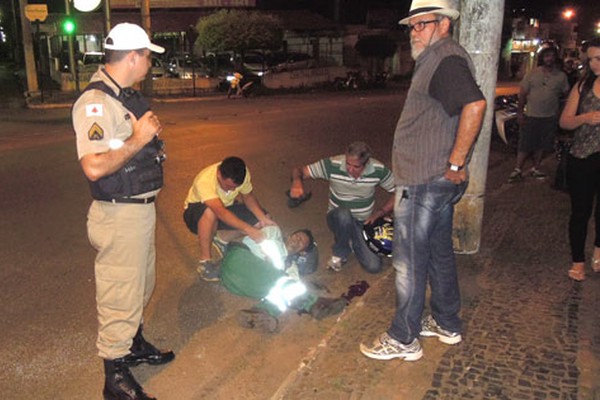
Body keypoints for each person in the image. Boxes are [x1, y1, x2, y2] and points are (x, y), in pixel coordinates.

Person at [359, 0, 486, 362]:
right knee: (437, 254)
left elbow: (474, 106)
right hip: (431, 180)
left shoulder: (445, 59)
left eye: (423, 24)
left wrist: (457, 162)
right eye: (412, 26)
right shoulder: (437, 58)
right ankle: (447, 322)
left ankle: (403, 337)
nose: (415, 31)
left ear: (444, 24)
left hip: (424, 182)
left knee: (408, 261)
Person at [72, 23, 174, 400]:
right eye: (147, 56)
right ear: (132, 57)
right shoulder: (95, 104)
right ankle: (114, 376)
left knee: (139, 286)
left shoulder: (122, 96)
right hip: (119, 215)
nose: (149, 63)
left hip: (139, 211)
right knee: (120, 294)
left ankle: (132, 344)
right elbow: (94, 166)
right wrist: (138, 139)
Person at [289, 141, 395, 274]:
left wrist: (382, 211)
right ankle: (340, 252)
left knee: (374, 266)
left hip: (362, 221)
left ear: (366, 163)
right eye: (347, 164)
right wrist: (297, 181)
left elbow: (399, 191)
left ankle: (352, 239)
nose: (349, 169)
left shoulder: (378, 170)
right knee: (344, 214)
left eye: (355, 166)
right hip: (337, 216)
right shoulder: (334, 164)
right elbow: (299, 170)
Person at [219, 226, 345, 332]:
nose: (297, 239)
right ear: (290, 236)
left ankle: (259, 313)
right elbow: (255, 238)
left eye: (302, 242)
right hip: (239, 260)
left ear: (302, 252)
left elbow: (290, 292)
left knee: (284, 293)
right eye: (297, 235)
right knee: (285, 284)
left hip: (238, 285)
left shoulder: (291, 269)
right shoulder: (274, 233)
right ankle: (314, 304)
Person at [183, 156, 276, 281]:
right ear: (219, 174)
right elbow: (220, 212)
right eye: (228, 186)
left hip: (224, 209)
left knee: (261, 219)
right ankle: (205, 262)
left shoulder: (243, 173)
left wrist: (263, 219)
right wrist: (250, 230)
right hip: (196, 214)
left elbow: (248, 197)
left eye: (235, 187)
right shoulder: (205, 180)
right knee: (210, 212)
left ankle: (221, 239)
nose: (232, 190)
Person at [559, 37, 600, 282]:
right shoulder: (582, 86)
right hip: (582, 156)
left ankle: (598, 249)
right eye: (591, 59)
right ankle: (578, 260)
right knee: (580, 211)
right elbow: (564, 121)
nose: (594, 64)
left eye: (599, 59)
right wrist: (585, 118)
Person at [508, 44, 570, 183]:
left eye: (552, 56)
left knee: (542, 145)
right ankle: (517, 169)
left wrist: (561, 113)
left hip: (549, 117)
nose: (550, 59)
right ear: (542, 58)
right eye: (547, 56)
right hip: (531, 115)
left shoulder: (561, 76)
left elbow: (566, 95)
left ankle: (536, 168)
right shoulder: (532, 74)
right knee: (525, 143)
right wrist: (520, 113)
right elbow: (522, 94)